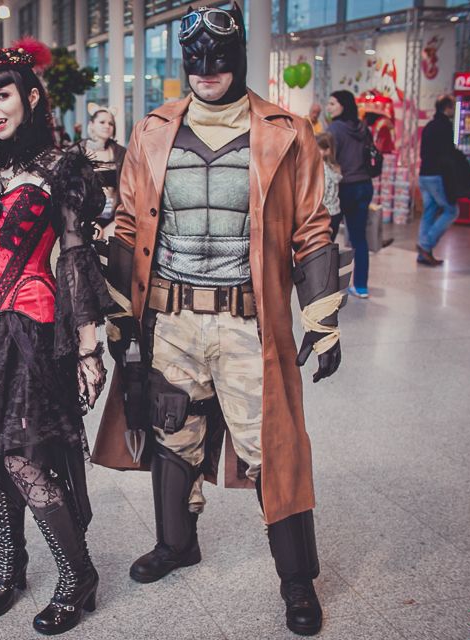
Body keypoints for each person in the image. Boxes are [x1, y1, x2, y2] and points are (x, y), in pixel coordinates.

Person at [91, 5, 346, 637]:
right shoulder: (153, 131)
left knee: (271, 447)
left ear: (240, 58)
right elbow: (128, 226)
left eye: (220, 57)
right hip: (171, 318)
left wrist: (322, 318)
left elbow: (313, 229)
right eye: (195, 59)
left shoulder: (287, 132)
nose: (206, 70)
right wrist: (120, 318)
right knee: (172, 429)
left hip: (246, 322)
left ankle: (297, 580)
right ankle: (177, 544)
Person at [0, 38, 113, 636]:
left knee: (21, 454)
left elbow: (76, 259)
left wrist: (89, 346)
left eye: (2, 96)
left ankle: (77, 574)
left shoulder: (61, 167)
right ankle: (11, 565)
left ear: (32, 97)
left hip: (31, 327)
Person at [327, 89, 373, 298]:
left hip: (342, 187)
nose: (328, 108)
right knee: (359, 238)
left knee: (328, 237)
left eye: (332, 104)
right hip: (364, 185)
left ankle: (325, 284)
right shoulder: (363, 128)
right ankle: (361, 286)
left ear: (343, 106)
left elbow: (327, 159)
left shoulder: (334, 129)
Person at [417, 95, 458, 266]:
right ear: (447, 108)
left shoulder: (429, 126)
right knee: (451, 210)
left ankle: (423, 253)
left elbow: (423, 152)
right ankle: (425, 245)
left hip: (424, 174)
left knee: (429, 211)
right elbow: (448, 155)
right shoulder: (445, 127)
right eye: (453, 107)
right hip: (437, 175)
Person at [77, 104, 127, 237]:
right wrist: (86, 221)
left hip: (114, 218)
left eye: (111, 123)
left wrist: (121, 218)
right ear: (91, 124)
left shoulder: (120, 153)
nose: (107, 126)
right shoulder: (79, 151)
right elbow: (72, 191)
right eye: (102, 122)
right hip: (86, 219)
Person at [316, 132, 343, 238]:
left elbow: (322, 193)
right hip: (335, 212)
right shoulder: (334, 167)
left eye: (318, 149)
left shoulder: (323, 169)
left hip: (324, 214)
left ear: (327, 150)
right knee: (329, 245)